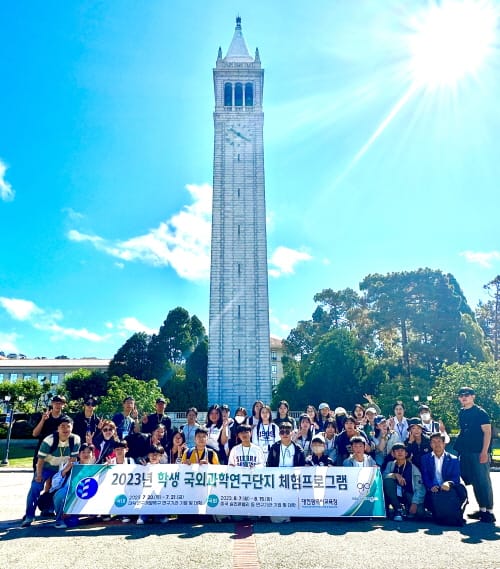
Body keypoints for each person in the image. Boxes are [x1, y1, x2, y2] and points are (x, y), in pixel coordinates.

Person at [21, 416, 81, 527]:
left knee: (63, 490)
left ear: (72, 428)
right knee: (35, 487)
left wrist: (64, 473)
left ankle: (58, 516)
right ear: (57, 428)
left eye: (68, 426)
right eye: (62, 426)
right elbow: (40, 461)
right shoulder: (49, 440)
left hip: (63, 468)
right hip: (46, 467)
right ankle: (29, 516)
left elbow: (73, 459)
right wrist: (39, 475)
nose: (65, 429)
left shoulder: (75, 439)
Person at [454, 386, 495, 523]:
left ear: (473, 396)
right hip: (466, 452)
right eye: (461, 395)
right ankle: (481, 509)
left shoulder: (480, 413)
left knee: (483, 482)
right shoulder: (462, 412)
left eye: (467, 394)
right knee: (475, 482)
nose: (464, 397)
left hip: (479, 452)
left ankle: (489, 511)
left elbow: (488, 433)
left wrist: (484, 452)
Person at [420, 433, 465, 520]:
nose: (437, 444)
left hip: (447, 489)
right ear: (430, 444)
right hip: (432, 489)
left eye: (439, 441)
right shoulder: (425, 458)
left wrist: (449, 483)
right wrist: (431, 486)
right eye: (434, 442)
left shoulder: (454, 459)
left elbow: (456, 477)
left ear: (444, 443)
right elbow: (425, 475)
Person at [266, 422, 305, 524]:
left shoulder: (298, 448)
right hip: (277, 479)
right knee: (277, 500)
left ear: (292, 432)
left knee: (290, 500)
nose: (285, 434)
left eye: (287, 431)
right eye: (282, 432)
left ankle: (290, 517)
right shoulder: (274, 447)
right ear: (279, 434)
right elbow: (269, 464)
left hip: (292, 479)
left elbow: (302, 465)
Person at [52, 443, 95, 528]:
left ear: (92, 454)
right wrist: (64, 471)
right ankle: (60, 519)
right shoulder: (70, 465)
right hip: (69, 497)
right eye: (83, 452)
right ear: (79, 454)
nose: (86, 454)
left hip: (85, 497)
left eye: (88, 452)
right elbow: (54, 484)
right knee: (61, 494)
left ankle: (90, 515)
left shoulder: (95, 468)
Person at [383, 442, 425, 521]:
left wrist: (415, 503)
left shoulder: (413, 468)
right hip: (394, 493)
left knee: (420, 513)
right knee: (388, 480)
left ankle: (407, 508)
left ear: (406, 453)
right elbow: (383, 477)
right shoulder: (390, 464)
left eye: (402, 450)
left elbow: (420, 487)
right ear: (393, 454)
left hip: (408, 494)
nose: (399, 452)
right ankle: (398, 509)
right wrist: (395, 475)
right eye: (397, 451)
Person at [31, 395, 67, 470]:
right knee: (38, 477)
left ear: (64, 405)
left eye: (60, 403)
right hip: (42, 449)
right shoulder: (44, 416)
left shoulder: (65, 419)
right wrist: (43, 420)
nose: (58, 405)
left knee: (53, 478)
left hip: (57, 452)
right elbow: (34, 434)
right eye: (56, 403)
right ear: (52, 404)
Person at [136, 445, 170, 525]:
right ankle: (142, 516)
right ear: (148, 455)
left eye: (156, 454)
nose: (154, 456)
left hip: (159, 495)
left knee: (162, 516)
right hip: (145, 495)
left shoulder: (165, 468)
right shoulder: (143, 467)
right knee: (144, 505)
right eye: (151, 454)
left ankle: (161, 516)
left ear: (160, 456)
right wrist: (142, 467)